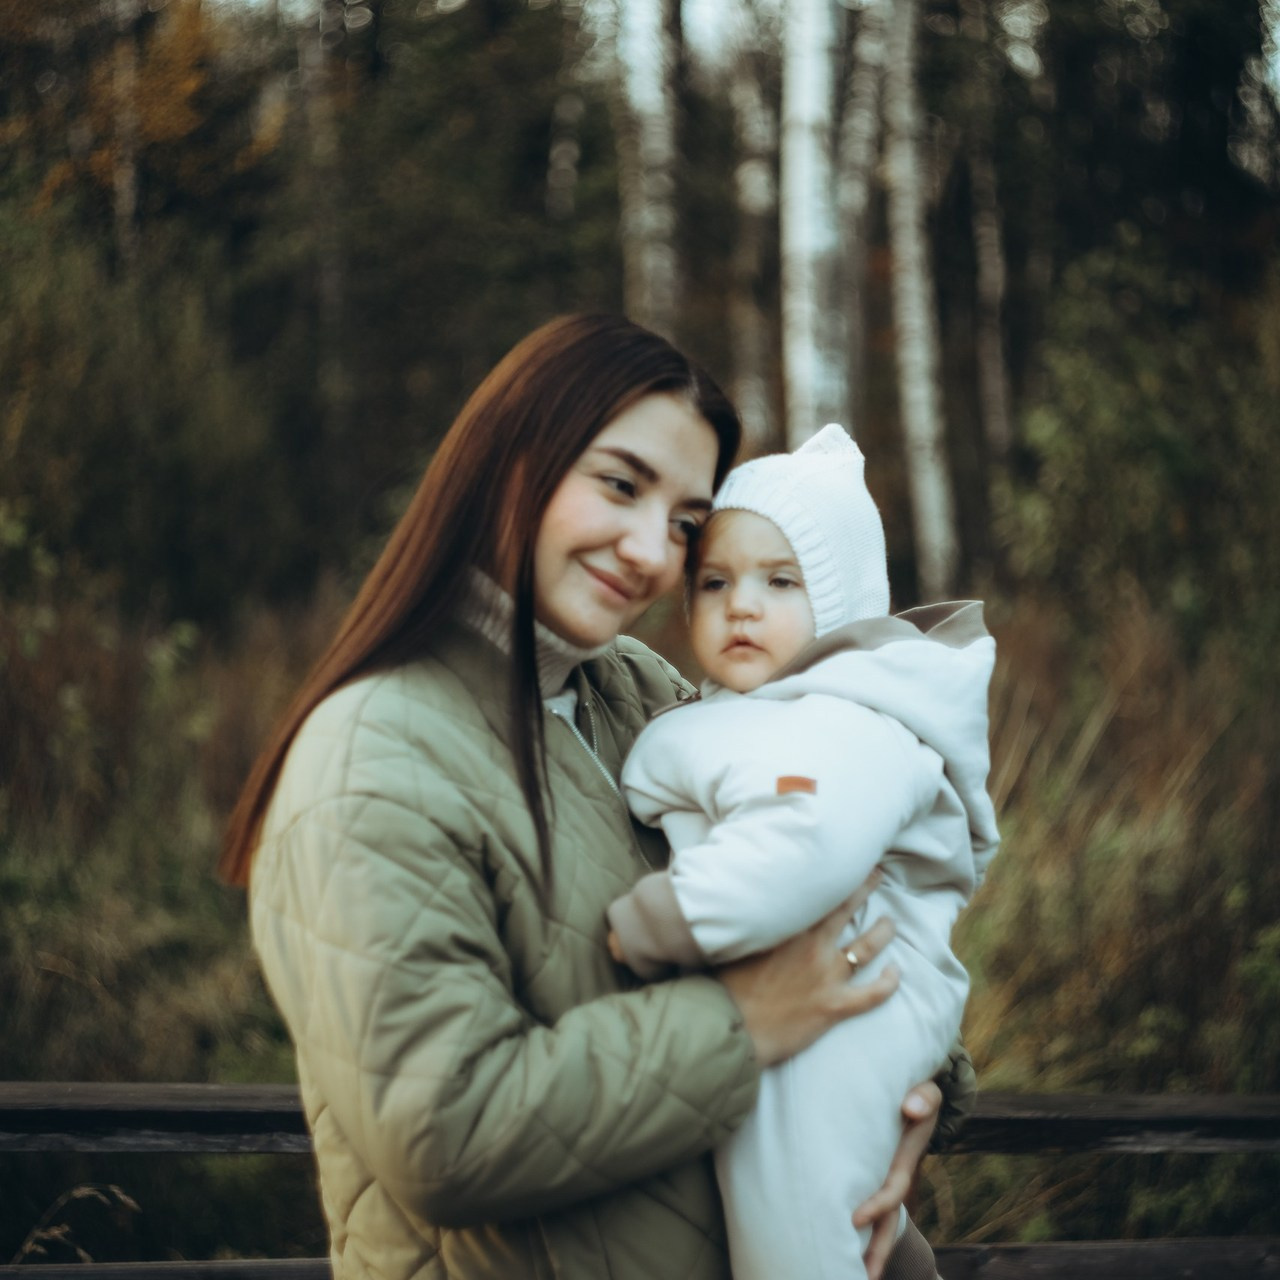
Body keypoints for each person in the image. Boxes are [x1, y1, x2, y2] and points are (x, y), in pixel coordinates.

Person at [220, 315, 973, 1280]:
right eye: (620, 485)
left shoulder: (641, 693)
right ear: (508, 464)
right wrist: (744, 1028)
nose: (652, 550)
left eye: (686, 524)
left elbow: (844, 891)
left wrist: (915, 1095)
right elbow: (445, 1133)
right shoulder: (368, 756)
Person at [606, 424, 1001, 1280]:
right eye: (715, 583)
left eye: (781, 581)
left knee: (797, 1207)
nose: (742, 604)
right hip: (778, 1011)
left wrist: (659, 920)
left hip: (849, 1012)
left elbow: (805, 847)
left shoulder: (848, 719)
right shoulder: (740, 712)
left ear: (843, 603)